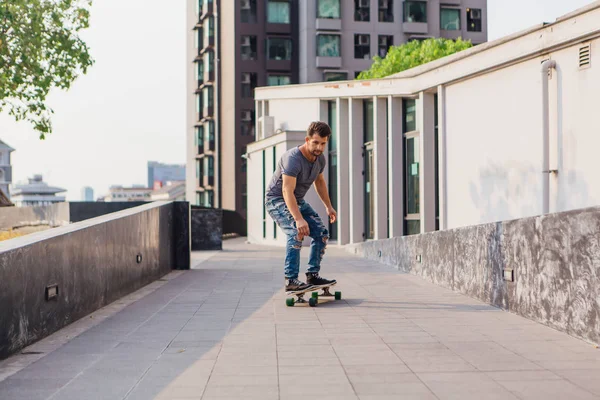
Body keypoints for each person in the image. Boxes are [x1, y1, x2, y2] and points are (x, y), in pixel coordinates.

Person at [265, 121, 338, 292]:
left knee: (321, 234)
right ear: (307, 140)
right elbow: (286, 191)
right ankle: (290, 279)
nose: (319, 148)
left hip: (297, 201)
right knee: (296, 232)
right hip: (277, 200)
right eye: (315, 143)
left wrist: (329, 206)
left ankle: (313, 275)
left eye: (323, 144)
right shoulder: (292, 159)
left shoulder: (320, 159)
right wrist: (298, 219)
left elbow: (319, 182)